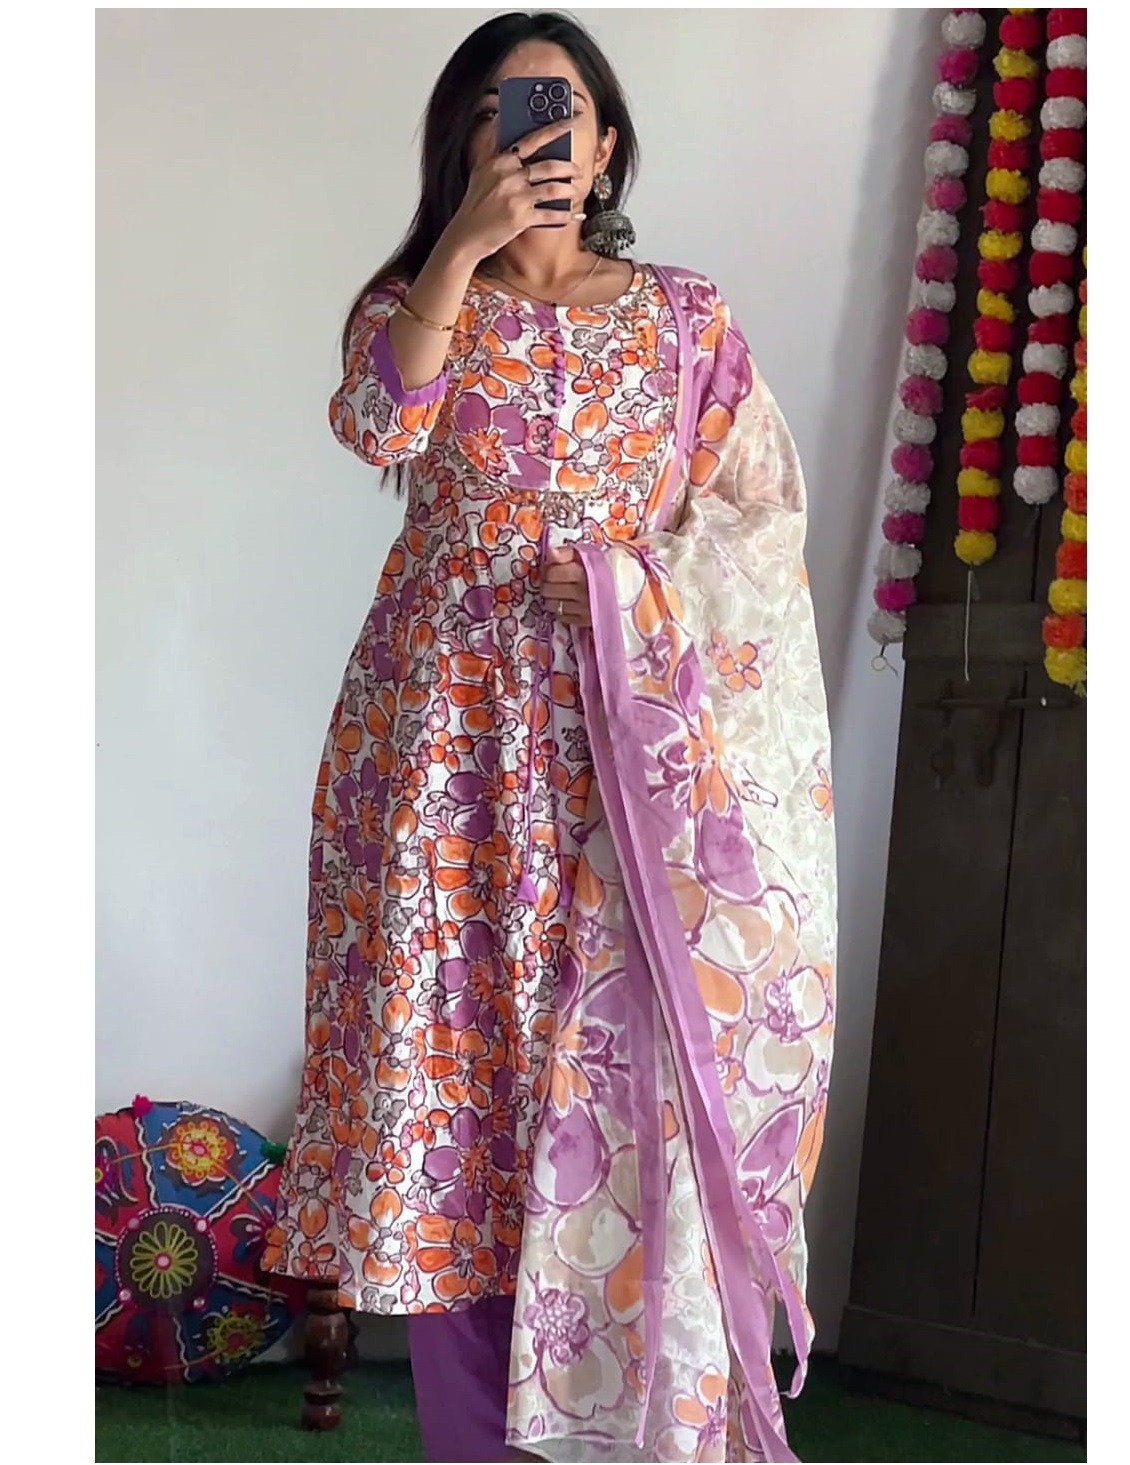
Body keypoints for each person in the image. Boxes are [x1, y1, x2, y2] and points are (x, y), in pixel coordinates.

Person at [262, 11, 837, 1463]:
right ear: (462, 142)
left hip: (626, 760)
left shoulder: (688, 323)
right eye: (505, 112)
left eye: (564, 109)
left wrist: (630, 590)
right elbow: (377, 428)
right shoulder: (414, 302)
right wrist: (458, 251)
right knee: (452, 1103)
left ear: (609, 143)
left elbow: (760, 524)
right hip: (438, 762)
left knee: (619, 1096)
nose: (540, 136)